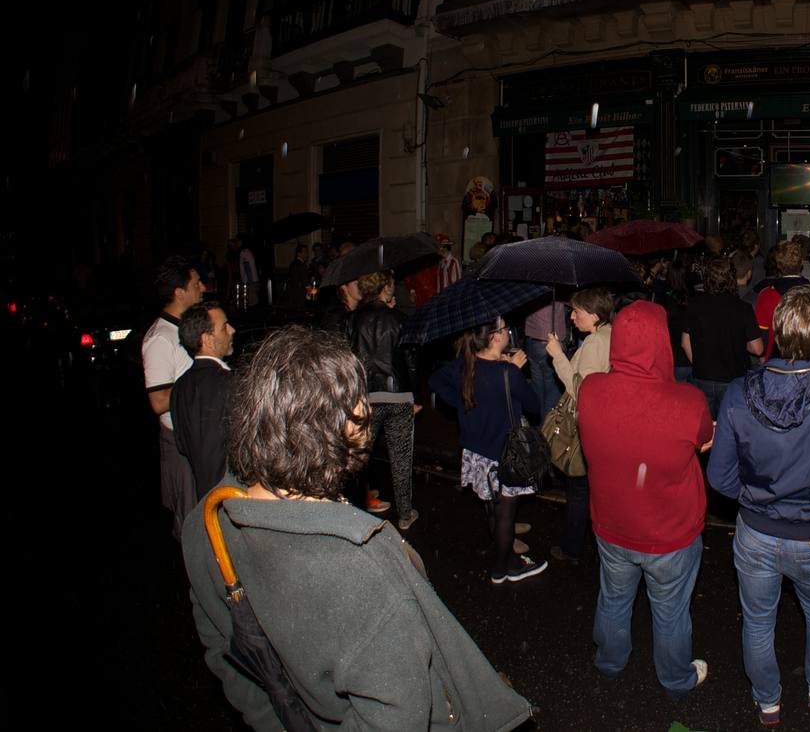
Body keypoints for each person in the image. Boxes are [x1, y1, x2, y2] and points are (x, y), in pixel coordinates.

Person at [181, 326, 532, 732]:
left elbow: (228, 655)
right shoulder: (360, 561)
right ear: (343, 426)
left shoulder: (206, 520)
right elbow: (399, 713)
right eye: (357, 402)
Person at [708, 286, 810, 724]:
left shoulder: (739, 392)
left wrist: (757, 501)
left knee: (758, 620)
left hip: (756, 531)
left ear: (777, 334)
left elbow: (719, 477)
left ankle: (768, 701)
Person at [579, 300, 714, 697]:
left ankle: (609, 660)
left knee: (614, 597)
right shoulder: (687, 401)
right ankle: (675, 678)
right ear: (662, 344)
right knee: (671, 611)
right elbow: (705, 439)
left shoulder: (591, 390)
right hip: (670, 531)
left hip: (612, 523)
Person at [430, 317, 548, 583]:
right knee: (505, 512)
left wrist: (462, 402)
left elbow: (436, 380)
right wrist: (513, 371)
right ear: (495, 337)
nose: (509, 332)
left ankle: (504, 555)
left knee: (493, 508)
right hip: (504, 454)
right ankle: (504, 567)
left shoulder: (465, 364)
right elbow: (533, 406)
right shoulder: (508, 373)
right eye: (506, 328)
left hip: (476, 451)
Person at [545, 287, 615, 565]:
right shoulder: (610, 334)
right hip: (607, 425)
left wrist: (557, 355)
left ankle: (571, 548)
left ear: (595, 315)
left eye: (578, 312)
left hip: (587, 426)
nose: (572, 317)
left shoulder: (596, 342)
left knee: (578, 489)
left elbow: (581, 390)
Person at [349, 270, 420, 530]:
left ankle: (357, 511)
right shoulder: (399, 319)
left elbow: (349, 359)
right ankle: (404, 514)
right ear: (384, 287)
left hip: (365, 396)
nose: (394, 287)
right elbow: (410, 361)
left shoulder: (354, 320)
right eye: (391, 283)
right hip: (398, 395)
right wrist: (416, 395)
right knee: (401, 458)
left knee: (359, 458)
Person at [144, 256, 206, 539]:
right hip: (178, 442)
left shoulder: (183, 329)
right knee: (190, 524)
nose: (202, 288)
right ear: (179, 292)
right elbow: (158, 401)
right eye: (196, 284)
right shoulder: (160, 338)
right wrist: (198, 385)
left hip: (195, 436)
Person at [682, 257, 764, 418]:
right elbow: (757, 348)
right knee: (729, 431)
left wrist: (701, 363)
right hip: (733, 379)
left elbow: (685, 343)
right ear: (731, 278)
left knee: (704, 432)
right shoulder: (743, 308)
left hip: (702, 377)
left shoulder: (694, 305)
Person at [171, 301, 235, 502]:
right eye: (224, 326)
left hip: (202, 499)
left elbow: (182, 445)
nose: (232, 330)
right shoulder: (231, 383)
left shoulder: (179, 388)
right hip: (233, 498)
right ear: (207, 339)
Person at [752, 239, 810, 360]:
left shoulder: (766, 295)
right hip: (809, 361)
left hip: (774, 363)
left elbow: (762, 336)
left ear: (778, 265)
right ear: (801, 263)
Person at [286, 244, 309, 310]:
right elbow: (305, 282)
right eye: (305, 252)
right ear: (299, 253)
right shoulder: (301, 265)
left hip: (293, 294)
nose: (307, 254)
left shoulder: (293, 263)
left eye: (307, 252)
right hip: (300, 294)